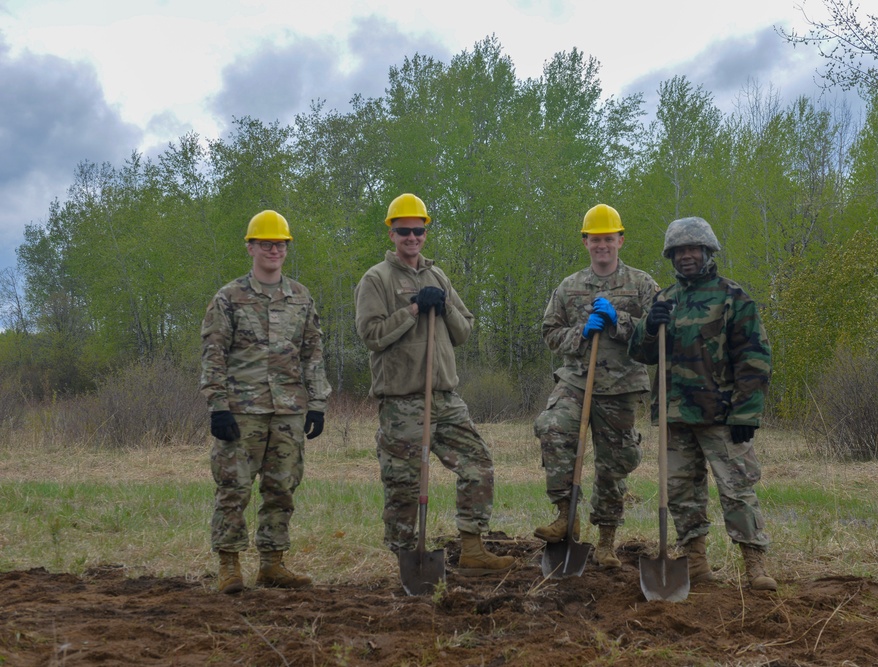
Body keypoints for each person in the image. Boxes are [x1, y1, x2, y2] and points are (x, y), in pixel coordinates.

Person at [354, 193, 514, 576]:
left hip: (445, 397)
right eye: (404, 231)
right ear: (391, 234)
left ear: (426, 232)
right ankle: (407, 561)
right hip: (403, 402)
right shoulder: (376, 278)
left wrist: (442, 306)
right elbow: (371, 334)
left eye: (418, 230)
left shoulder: (438, 275)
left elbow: (464, 330)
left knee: (478, 465)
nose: (412, 237)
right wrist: (412, 310)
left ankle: (473, 547)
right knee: (404, 485)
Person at [628, 216, 777, 591]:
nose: (687, 256)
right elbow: (642, 354)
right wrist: (648, 325)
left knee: (737, 489)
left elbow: (754, 357)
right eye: (679, 251)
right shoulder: (664, 300)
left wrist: (747, 411)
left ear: (708, 251)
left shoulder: (733, 297)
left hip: (722, 415)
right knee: (681, 493)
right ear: (671, 256)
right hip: (675, 417)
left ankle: (754, 564)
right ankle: (695, 563)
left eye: (693, 249)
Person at [200, 209, 331, 594]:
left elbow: (312, 352)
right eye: (266, 244)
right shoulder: (229, 298)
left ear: (286, 249)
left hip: (288, 410)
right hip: (242, 411)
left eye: (280, 244)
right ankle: (229, 565)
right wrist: (217, 404)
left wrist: (318, 402)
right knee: (233, 488)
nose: (274, 250)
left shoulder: (300, 297)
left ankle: (272, 564)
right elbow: (213, 352)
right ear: (250, 247)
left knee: (281, 488)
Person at [533, 204, 659, 569]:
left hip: (621, 386)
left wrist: (618, 320)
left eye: (608, 238)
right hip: (576, 380)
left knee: (613, 464)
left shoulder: (642, 284)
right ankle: (564, 514)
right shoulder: (569, 287)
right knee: (552, 428)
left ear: (620, 240)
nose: (602, 245)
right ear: (585, 242)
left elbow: (657, 334)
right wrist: (580, 333)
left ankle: (606, 541)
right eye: (595, 239)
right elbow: (549, 333)